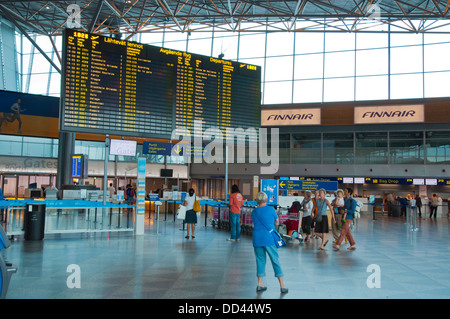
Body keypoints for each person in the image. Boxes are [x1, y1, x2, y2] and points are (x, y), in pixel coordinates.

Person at [252, 192, 288, 294]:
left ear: (257, 200)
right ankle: (282, 285)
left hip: (257, 237)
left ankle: (260, 284)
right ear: (266, 200)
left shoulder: (254, 211)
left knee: (260, 260)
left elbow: (254, 223)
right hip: (268, 238)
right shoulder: (271, 209)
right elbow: (277, 222)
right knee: (275, 259)